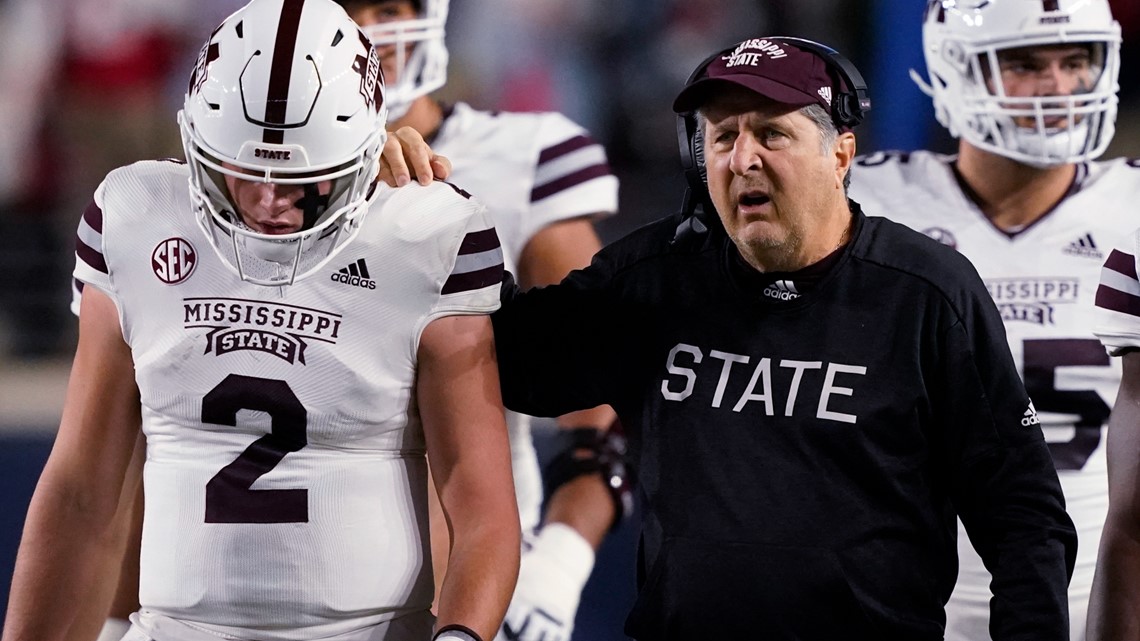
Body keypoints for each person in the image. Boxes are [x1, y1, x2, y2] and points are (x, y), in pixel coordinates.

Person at [489, 35, 1078, 639]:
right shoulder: (654, 278)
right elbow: (505, 364)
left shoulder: (926, 292)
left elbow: (1023, 515)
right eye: (721, 137)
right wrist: (437, 219)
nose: (742, 158)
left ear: (841, 155)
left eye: (772, 134)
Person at [1, 1, 521, 640]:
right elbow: (81, 492)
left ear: (363, 151)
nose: (271, 202)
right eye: (245, 173)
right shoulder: (135, 214)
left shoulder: (425, 231)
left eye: (305, 179)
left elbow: (480, 504)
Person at [333, 3, 625, 641]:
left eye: (388, 8)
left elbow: (604, 409)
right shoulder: (251, 181)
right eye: (344, 8)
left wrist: (559, 569)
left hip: (474, 594)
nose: (369, 30)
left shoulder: (519, 159)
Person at [847, 1, 1127, 639]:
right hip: (888, 598)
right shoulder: (858, 201)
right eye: (1025, 63)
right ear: (956, 67)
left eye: (1075, 60)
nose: (1057, 87)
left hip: (1093, 601)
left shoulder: (1134, 209)